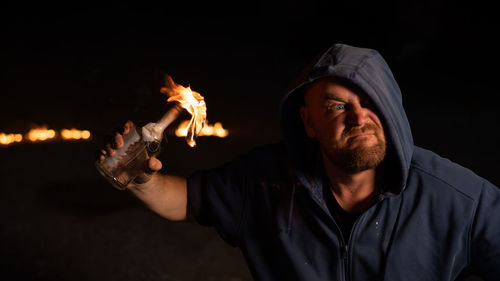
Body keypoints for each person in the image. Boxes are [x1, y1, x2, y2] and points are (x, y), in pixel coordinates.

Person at [97, 43, 500, 281]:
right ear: (308, 121)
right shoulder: (266, 179)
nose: (359, 117)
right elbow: (187, 200)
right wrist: (140, 180)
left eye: (371, 103)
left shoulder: (458, 198)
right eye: (337, 106)